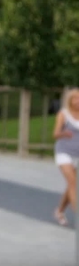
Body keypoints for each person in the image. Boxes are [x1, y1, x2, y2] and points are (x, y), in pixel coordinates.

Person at [52, 89, 79, 226]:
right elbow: (55, 134)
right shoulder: (64, 114)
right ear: (70, 100)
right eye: (75, 98)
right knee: (74, 184)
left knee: (72, 185)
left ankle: (60, 211)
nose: (78, 101)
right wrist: (64, 133)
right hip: (64, 152)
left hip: (78, 154)